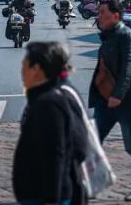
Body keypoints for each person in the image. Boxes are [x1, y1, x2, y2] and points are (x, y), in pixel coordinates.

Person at [90, 0, 131, 202]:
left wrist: (117, 95)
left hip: (127, 100)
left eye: (103, 13)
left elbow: (128, 69)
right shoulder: (108, 35)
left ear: (115, 16)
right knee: (93, 142)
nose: (99, 16)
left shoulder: (127, 36)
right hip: (106, 98)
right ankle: (92, 183)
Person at [13, 42, 89, 205]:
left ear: (36, 69)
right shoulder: (45, 97)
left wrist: (51, 199)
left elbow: (55, 154)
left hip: (43, 194)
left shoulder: (49, 103)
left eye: (24, 65)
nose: (21, 70)